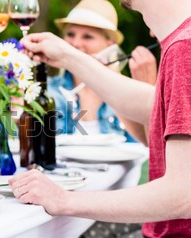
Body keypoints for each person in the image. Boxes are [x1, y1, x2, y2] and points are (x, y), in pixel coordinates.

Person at [10, 0, 191, 236]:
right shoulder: (182, 42)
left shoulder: (184, 49)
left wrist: (64, 200)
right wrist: (67, 56)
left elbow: (183, 195)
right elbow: (150, 104)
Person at [48, 0, 144, 143]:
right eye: (70, 34)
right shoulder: (48, 91)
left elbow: (143, 150)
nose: (75, 43)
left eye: (87, 36)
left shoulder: (126, 94)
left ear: (110, 45)